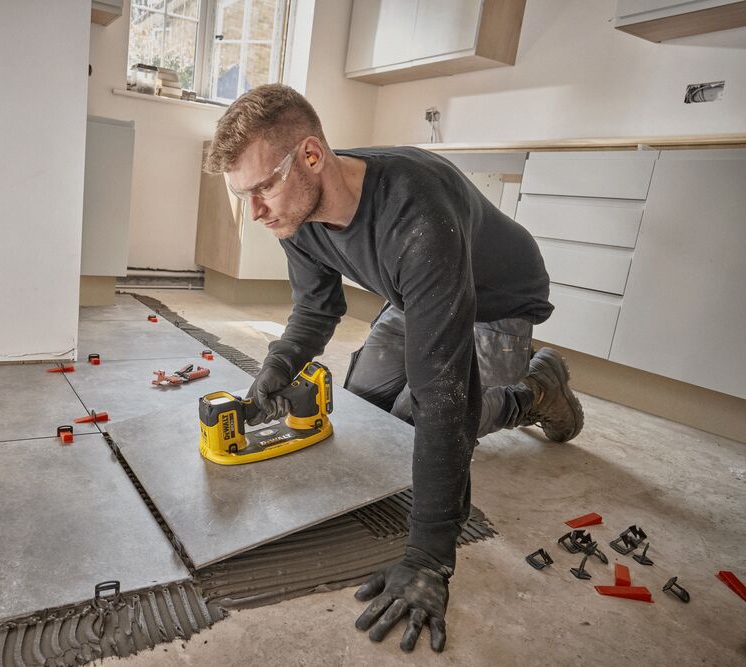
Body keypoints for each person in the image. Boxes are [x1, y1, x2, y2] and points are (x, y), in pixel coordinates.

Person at [204, 84, 584, 654]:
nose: (255, 211)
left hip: (496, 299)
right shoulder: (295, 211)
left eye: (262, 188)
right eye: (244, 195)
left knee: (425, 415)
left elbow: (443, 398)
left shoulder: (416, 213)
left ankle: (539, 391)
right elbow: (316, 306)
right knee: (366, 409)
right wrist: (275, 370)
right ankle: (524, 388)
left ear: (311, 156)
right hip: (416, 292)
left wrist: (429, 558)